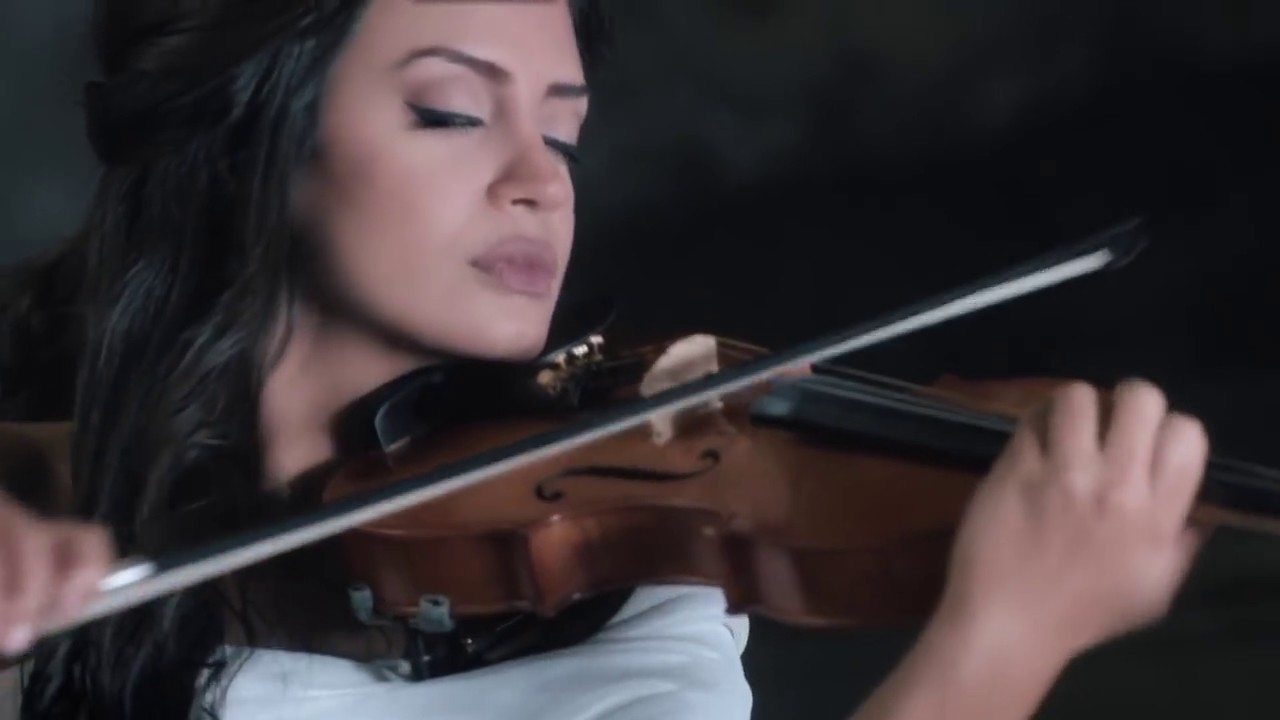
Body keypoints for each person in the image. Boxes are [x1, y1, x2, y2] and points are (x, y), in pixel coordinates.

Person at [0, 1, 1211, 719]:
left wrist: (999, 646)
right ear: (243, 142)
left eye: (564, 134)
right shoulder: (41, 509)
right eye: (450, 112)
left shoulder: (617, 610)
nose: (538, 181)